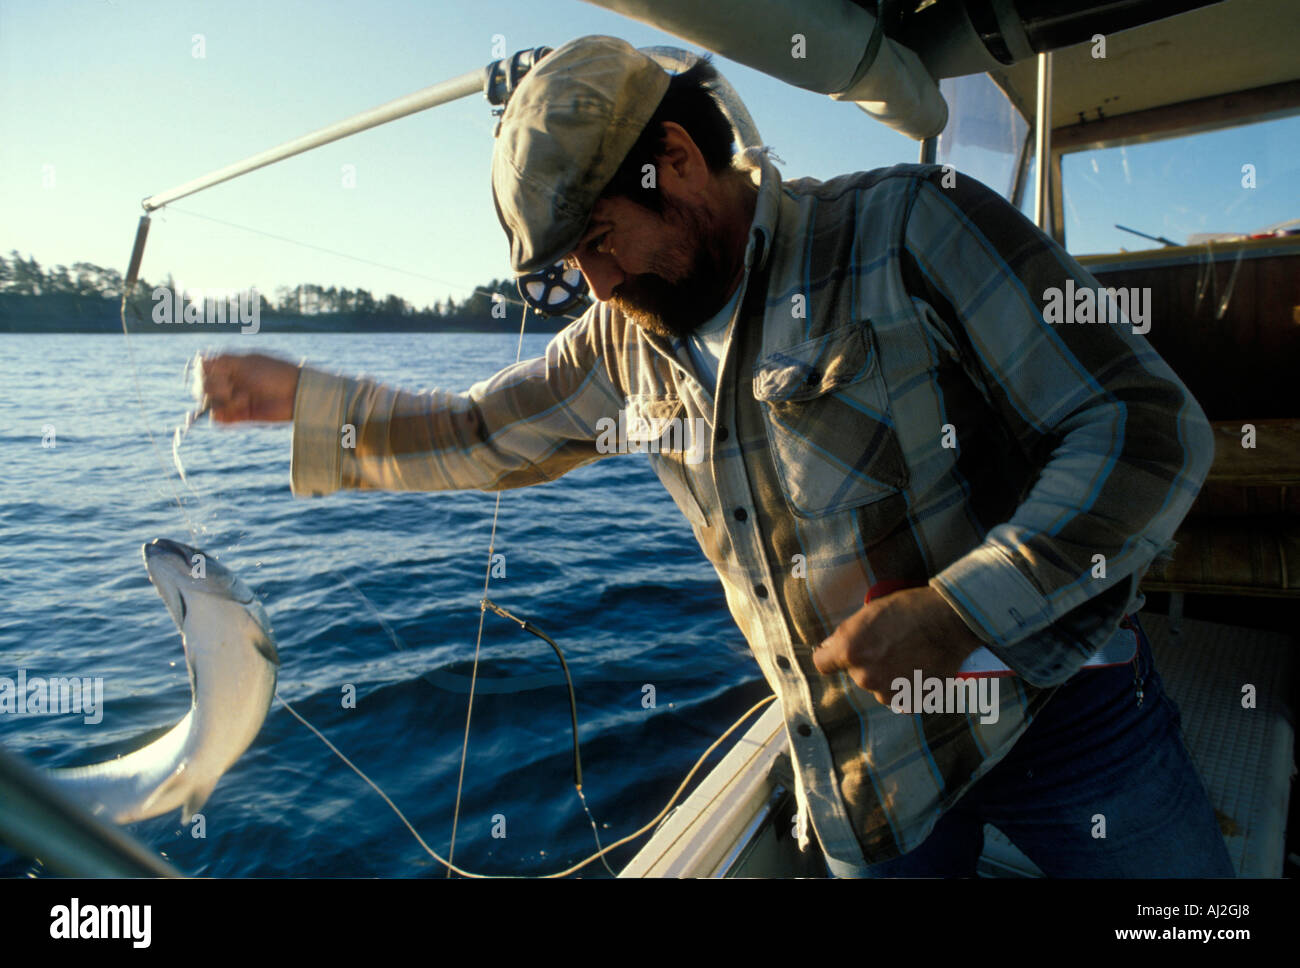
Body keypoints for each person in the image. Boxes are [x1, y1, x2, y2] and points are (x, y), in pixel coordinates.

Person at [201, 34, 1233, 877]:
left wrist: (962, 608)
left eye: (601, 238)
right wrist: (309, 401)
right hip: (877, 762)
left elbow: (1141, 428)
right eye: (571, 267)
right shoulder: (623, 341)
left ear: (681, 163)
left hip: (1062, 706)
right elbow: (479, 433)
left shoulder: (908, 226)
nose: (598, 285)